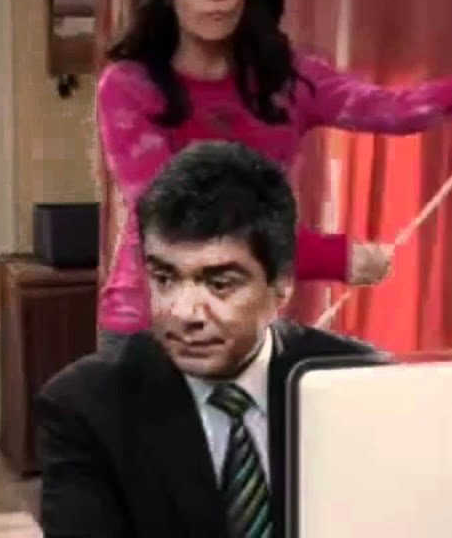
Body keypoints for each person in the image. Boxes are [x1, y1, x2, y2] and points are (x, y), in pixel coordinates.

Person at [95, 0, 452, 351]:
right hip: (148, 328)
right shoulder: (128, 87)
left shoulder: (289, 78)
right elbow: (179, 215)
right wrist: (331, 256)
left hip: (245, 330)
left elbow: (395, 109)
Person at [37, 141, 382, 538]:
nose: (184, 313)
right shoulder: (85, 408)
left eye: (220, 284)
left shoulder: (358, 384)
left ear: (282, 284)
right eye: (164, 278)